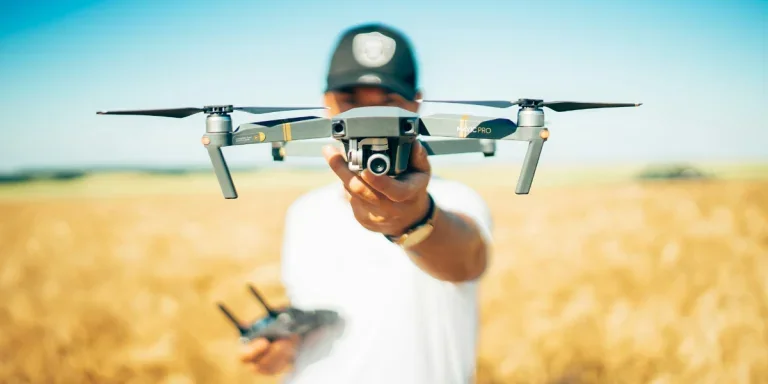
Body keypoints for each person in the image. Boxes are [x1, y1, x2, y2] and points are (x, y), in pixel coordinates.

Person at [238, 22, 494, 384]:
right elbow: (324, 307)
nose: (369, 120)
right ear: (326, 103)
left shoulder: (457, 199)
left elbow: (466, 261)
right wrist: (282, 344)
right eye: (351, 102)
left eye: (389, 103)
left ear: (416, 104)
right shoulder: (304, 212)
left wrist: (415, 220)